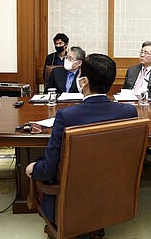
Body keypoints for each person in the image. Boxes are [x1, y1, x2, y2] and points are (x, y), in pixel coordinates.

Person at [25, 53, 138, 223]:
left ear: (83, 81)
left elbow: (48, 170)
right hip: (112, 198)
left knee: (35, 167)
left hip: (71, 205)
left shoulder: (66, 116)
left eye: (79, 75)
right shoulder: (129, 112)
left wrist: (33, 168)